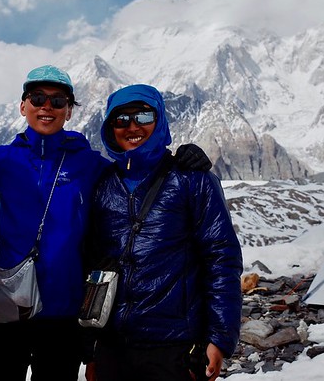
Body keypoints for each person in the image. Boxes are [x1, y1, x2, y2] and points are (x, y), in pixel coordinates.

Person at [0, 65, 212, 381]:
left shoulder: (90, 164)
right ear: (23, 106)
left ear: (69, 111)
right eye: (38, 98)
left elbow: (135, 178)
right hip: (6, 308)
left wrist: (179, 159)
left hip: (65, 314)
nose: (47, 107)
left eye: (58, 101)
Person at [84, 84, 242, 381]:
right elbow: (90, 261)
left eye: (143, 117)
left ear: (160, 121)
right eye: (121, 119)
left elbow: (221, 259)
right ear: (109, 127)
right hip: (112, 345)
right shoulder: (103, 184)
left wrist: (220, 338)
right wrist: (91, 347)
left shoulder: (193, 180)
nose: (132, 127)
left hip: (175, 346)